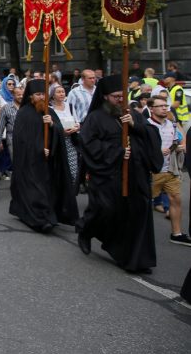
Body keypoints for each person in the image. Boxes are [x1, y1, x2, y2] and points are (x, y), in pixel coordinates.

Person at [76, 75, 162, 272]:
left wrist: (135, 125)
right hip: (109, 175)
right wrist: (116, 151)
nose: (121, 99)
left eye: (122, 95)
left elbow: (151, 134)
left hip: (135, 175)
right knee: (106, 210)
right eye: (116, 97)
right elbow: (88, 144)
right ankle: (86, 230)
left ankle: (135, 258)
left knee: (138, 212)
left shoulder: (133, 114)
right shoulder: (95, 118)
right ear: (105, 97)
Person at [147, 95, 191, 246]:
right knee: (142, 204)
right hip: (153, 172)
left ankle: (176, 234)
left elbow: (179, 139)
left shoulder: (171, 124)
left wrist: (180, 147)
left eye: (165, 105)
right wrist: (156, 152)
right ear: (151, 109)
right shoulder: (146, 126)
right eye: (160, 106)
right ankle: (138, 236)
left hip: (170, 170)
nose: (165, 108)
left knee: (175, 200)